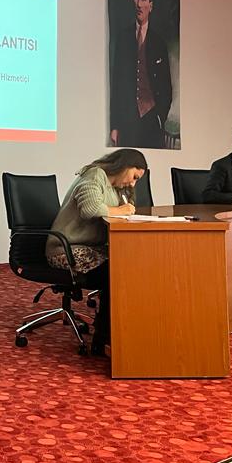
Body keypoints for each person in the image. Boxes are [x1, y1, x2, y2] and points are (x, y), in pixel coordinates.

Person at [47, 149, 148, 354]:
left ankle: (118, 331)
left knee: (132, 265)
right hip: (66, 250)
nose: (132, 184)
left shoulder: (114, 186)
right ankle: (104, 337)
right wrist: (121, 211)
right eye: (134, 177)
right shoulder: (94, 176)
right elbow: (90, 209)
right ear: (124, 166)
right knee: (119, 272)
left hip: (90, 248)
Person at [110, 0, 172, 149]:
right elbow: (116, 84)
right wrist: (115, 125)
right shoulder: (123, 38)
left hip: (151, 118)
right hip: (127, 120)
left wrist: (160, 117)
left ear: (150, 5)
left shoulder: (159, 42)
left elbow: (166, 86)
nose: (138, 4)